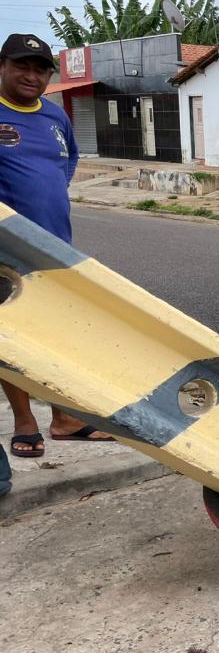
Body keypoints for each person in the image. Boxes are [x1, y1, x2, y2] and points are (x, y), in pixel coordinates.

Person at [0, 32, 113, 464]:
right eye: (22, 66)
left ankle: (64, 418)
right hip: (6, 253)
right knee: (13, 339)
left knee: (59, 336)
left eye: (41, 68)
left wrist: (45, 199)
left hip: (55, 244)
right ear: (3, 66)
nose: (32, 75)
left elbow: (66, 161)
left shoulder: (53, 115)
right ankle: (25, 423)